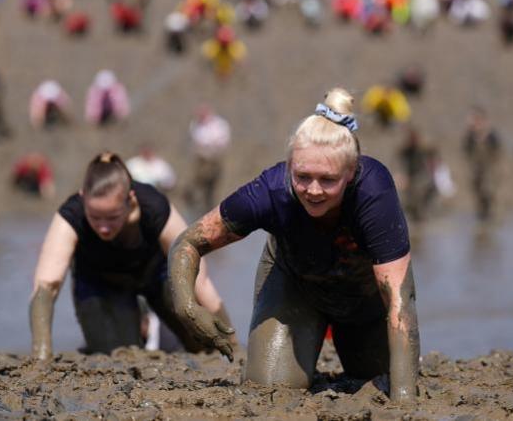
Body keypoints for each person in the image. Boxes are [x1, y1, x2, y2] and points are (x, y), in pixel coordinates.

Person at [168, 88, 420, 402]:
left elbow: (399, 300)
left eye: (328, 180)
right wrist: (188, 308)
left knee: (379, 380)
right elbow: (188, 243)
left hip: (363, 296)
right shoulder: (271, 190)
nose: (313, 191)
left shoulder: (374, 193)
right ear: (289, 166)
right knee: (269, 389)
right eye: (303, 176)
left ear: (351, 172)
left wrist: (406, 401)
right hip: (295, 285)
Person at [30, 152, 231, 358]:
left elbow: (198, 277)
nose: (104, 228)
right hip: (100, 283)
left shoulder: (153, 205)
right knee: (120, 356)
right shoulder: (71, 214)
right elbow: (47, 286)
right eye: (95, 217)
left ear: (130, 200)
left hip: (158, 275)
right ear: (83, 199)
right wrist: (41, 353)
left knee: (201, 343)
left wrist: (229, 340)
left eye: (112, 217)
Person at [184, 106, 231, 213]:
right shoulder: (195, 125)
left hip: (214, 158)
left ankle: (210, 208)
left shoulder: (219, 124)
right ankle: (197, 207)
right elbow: (195, 140)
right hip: (201, 159)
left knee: (211, 187)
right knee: (199, 184)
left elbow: (221, 141)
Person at [463, 107, 501, 221]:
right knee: (478, 191)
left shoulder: (491, 136)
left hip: (489, 169)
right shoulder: (470, 137)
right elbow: (466, 151)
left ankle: (490, 214)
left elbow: (497, 153)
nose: (475, 124)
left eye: (477, 120)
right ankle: (482, 216)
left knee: (488, 191)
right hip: (476, 168)